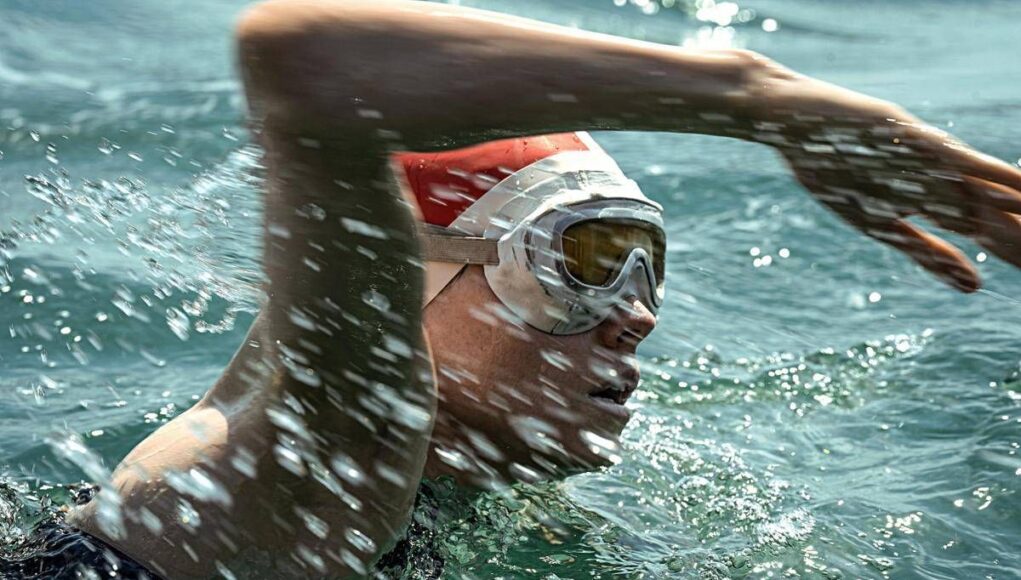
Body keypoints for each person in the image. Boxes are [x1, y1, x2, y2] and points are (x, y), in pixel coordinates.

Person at [4, 0, 1019, 578]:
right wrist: (764, 100)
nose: (636, 313)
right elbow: (304, 59)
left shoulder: (399, 489)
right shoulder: (332, 457)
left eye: (644, 262)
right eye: (581, 256)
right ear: (408, 283)